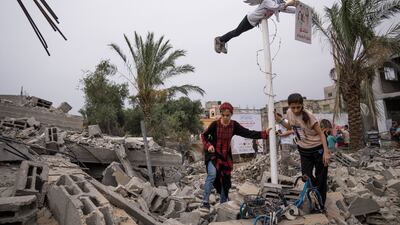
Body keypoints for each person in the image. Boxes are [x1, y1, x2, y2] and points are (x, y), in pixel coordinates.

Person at [200, 102, 271, 211]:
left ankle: (223, 203)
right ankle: (205, 202)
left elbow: (248, 133)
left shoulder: (234, 126)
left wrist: (264, 134)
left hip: (225, 157)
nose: (225, 118)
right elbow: (203, 135)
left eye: (227, 115)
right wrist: (208, 145)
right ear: (221, 114)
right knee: (212, 175)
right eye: (223, 115)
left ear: (231, 115)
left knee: (225, 180)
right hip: (213, 154)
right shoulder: (215, 124)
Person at [275, 93, 331, 207]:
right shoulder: (289, 113)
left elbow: (321, 133)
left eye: (298, 107)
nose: (295, 110)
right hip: (304, 150)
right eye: (293, 107)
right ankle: (316, 191)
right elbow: (291, 126)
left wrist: (326, 152)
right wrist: (280, 120)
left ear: (302, 105)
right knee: (306, 177)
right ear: (289, 106)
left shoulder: (309, 116)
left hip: (318, 149)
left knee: (321, 177)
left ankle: (320, 205)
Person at [214, 0, 298, 54]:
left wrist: (299, 10)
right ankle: (220, 40)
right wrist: (290, 3)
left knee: (237, 32)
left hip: (253, 23)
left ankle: (222, 40)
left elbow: (286, 9)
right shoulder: (268, 1)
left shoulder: (279, 3)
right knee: (236, 32)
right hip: (249, 19)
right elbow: (276, 7)